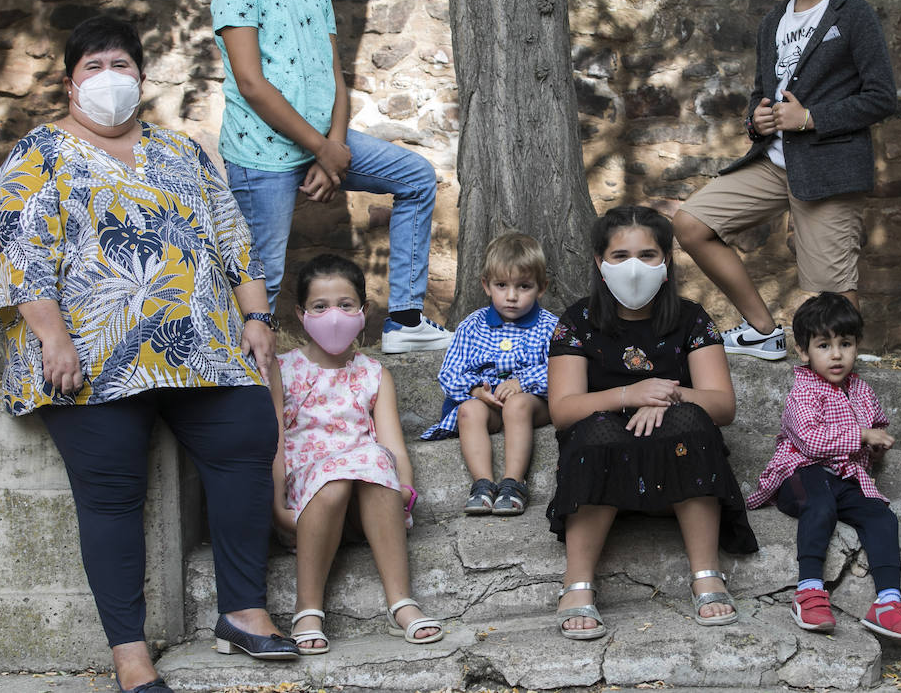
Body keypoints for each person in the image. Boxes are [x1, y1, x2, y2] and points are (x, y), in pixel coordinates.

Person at [0, 15, 298, 693]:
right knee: (112, 488)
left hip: (197, 349)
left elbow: (234, 238)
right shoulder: (41, 153)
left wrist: (256, 315)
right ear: (69, 81)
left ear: (141, 78)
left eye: (121, 65)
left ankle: (243, 609)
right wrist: (53, 336)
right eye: (94, 67)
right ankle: (130, 653)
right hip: (86, 356)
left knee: (248, 433)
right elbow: (13, 249)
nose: (109, 78)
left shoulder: (182, 152)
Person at [210, 0, 451, 352]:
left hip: (325, 142)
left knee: (415, 177)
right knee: (263, 271)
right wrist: (321, 148)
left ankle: (405, 320)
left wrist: (335, 146)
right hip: (262, 153)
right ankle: (236, 364)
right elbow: (252, 85)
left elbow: (333, 76)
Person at [674, 0, 897, 361]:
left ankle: (854, 394)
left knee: (829, 295)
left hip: (828, 169)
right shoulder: (773, 20)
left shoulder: (855, 16)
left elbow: (881, 98)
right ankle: (762, 330)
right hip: (773, 163)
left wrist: (811, 118)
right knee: (692, 223)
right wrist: (756, 116)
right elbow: (762, 91)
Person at [547, 206, 759, 640]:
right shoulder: (578, 321)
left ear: (666, 261)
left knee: (690, 422)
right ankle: (578, 584)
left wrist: (667, 395)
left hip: (674, 470)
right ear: (599, 262)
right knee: (595, 431)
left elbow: (722, 404)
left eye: (647, 254)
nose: (634, 267)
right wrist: (628, 395)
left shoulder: (691, 318)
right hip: (602, 472)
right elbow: (563, 409)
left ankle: (706, 575)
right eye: (620, 255)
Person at [271, 254, 443, 654]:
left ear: (364, 311)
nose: (334, 316)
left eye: (346, 305)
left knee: (374, 462)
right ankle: (308, 607)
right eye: (320, 306)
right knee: (332, 485)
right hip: (309, 503)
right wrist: (276, 506)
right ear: (301, 313)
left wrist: (405, 490)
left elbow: (393, 445)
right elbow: (275, 444)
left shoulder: (373, 374)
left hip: (370, 498)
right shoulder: (283, 371)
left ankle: (402, 602)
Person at [747, 293, 901, 641]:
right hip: (798, 475)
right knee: (820, 503)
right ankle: (809, 591)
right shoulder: (803, 392)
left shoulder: (862, 390)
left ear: (856, 346)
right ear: (803, 352)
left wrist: (875, 445)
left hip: (846, 476)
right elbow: (812, 442)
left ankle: (888, 602)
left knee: (881, 516)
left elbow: (874, 433)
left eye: (845, 344)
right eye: (824, 345)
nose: (836, 354)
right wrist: (861, 434)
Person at [420, 232, 558, 516]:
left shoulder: (549, 326)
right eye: (501, 285)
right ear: (486, 285)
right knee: (468, 411)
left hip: (534, 403)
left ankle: (513, 483)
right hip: (490, 403)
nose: (511, 296)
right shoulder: (472, 326)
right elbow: (450, 372)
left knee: (518, 405)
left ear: (541, 288)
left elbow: (560, 370)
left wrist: (523, 382)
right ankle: (482, 484)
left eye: (523, 286)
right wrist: (474, 391)